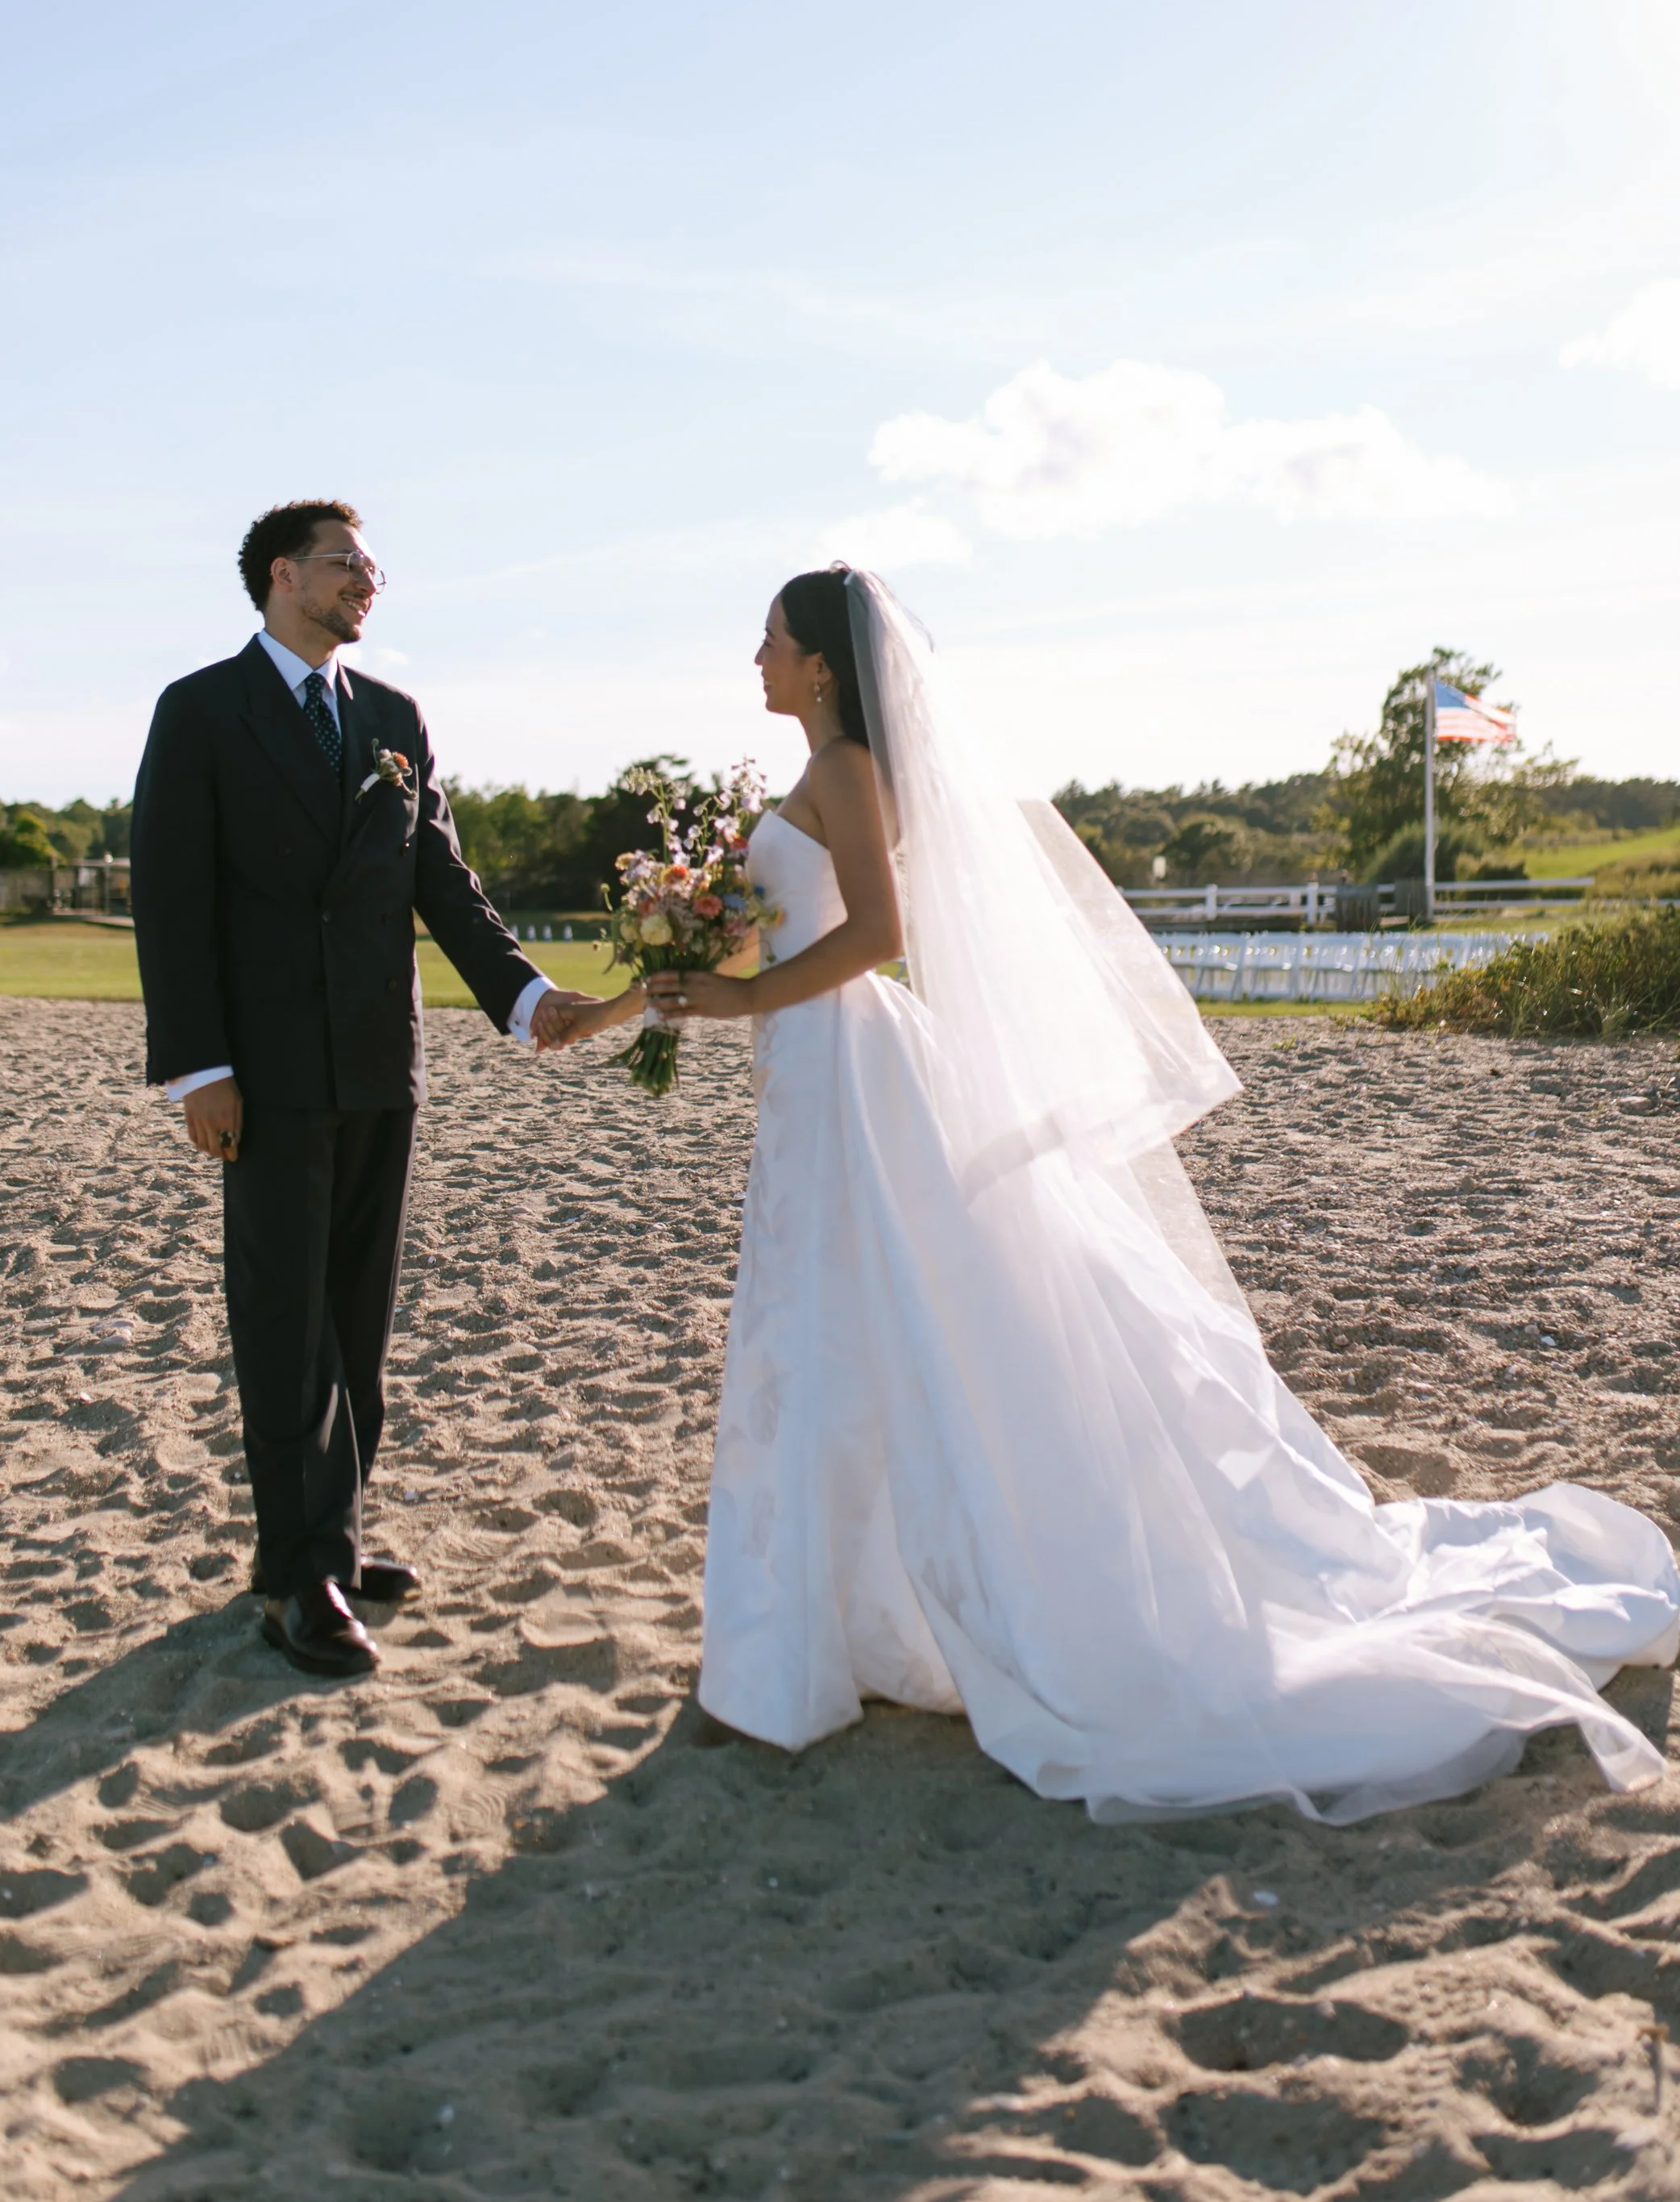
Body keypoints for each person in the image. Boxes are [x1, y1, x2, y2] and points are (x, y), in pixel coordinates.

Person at [559, 567, 1680, 1821]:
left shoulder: (849, 775)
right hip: (815, 1069)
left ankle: (824, 1635)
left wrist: (747, 999)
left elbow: (876, 934)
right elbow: (738, 939)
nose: (752, 654)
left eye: (768, 637)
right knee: (832, 1327)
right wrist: (611, 1006)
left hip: (853, 1069)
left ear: (821, 663)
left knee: (852, 1319)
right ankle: (832, 1620)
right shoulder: (810, 781)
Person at [131, 500, 601, 1682]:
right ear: (283, 574)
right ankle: (298, 1577)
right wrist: (200, 1066)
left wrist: (526, 995)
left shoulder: (393, 718)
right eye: (347, 564)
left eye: (372, 568)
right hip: (265, 1074)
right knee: (283, 1325)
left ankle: (327, 1535)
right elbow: (171, 900)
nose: (368, 582)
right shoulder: (199, 711)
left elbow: (440, 877)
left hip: (379, 1063)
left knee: (355, 1326)